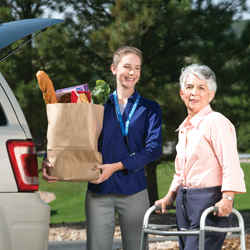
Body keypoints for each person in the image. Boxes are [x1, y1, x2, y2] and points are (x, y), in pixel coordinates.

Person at [42, 46, 162, 250]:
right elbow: (70, 135)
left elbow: (154, 148)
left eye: (137, 68)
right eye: (126, 66)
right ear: (114, 69)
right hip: (98, 191)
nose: (132, 72)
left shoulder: (150, 108)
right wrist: (50, 160)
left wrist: (115, 167)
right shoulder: (94, 104)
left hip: (134, 191)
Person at [155, 64, 246, 250]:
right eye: (189, 87)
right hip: (184, 200)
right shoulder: (184, 129)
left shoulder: (216, 121)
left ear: (211, 94)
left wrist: (228, 197)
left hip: (209, 200)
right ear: (182, 94)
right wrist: (170, 196)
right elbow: (180, 172)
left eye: (201, 88)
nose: (194, 93)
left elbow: (230, 162)